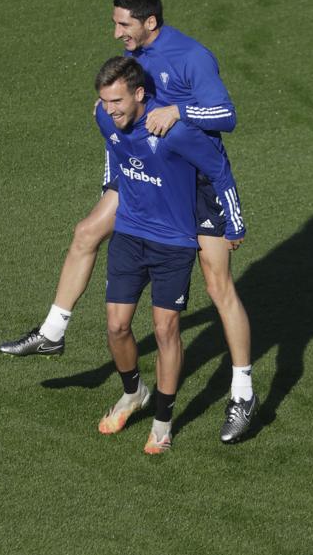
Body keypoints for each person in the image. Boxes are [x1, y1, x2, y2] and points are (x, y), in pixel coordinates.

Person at [0, 0, 256, 442]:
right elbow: (116, 130)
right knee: (86, 232)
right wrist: (110, 178)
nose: (116, 32)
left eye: (123, 24)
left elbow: (227, 115)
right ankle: (53, 331)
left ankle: (241, 391)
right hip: (145, 172)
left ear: (149, 22)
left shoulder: (191, 56)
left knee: (218, 284)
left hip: (193, 179)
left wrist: (179, 110)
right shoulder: (133, 63)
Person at [93, 56, 246, 453]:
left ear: (140, 94)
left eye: (118, 102)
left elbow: (218, 169)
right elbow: (113, 148)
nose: (111, 111)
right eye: (105, 102)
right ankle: (134, 393)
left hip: (174, 243)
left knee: (165, 331)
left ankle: (162, 421)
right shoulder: (105, 118)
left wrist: (235, 223)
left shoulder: (173, 133)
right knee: (116, 327)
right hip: (128, 234)